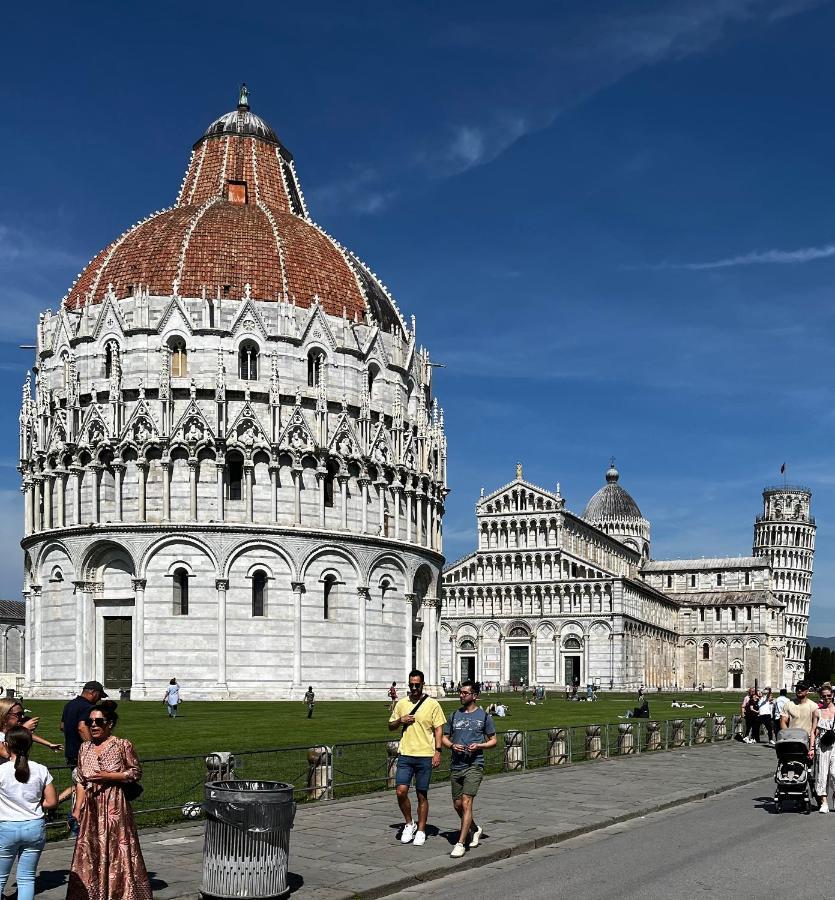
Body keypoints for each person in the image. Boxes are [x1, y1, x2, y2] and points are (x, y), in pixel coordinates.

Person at [67, 700, 152, 900]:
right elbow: (80, 780)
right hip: (91, 809)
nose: (94, 725)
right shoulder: (84, 748)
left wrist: (109, 776)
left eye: (99, 721)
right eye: (90, 722)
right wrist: (77, 808)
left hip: (115, 806)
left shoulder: (122, 745)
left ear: (110, 723)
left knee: (117, 849)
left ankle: (120, 893)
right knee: (90, 850)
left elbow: (135, 773)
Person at [388, 669, 445, 846]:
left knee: (422, 794)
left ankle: (421, 830)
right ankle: (409, 823)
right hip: (406, 753)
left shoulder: (433, 704)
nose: (414, 688)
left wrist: (438, 752)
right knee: (401, 791)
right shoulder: (402, 704)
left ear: (422, 684)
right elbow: (391, 726)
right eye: (411, 684)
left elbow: (438, 729)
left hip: (425, 755)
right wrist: (400, 720)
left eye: (417, 685)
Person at [0, 726, 58, 900]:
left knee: (1, 876)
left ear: (6, 744)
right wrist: (32, 804)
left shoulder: (2, 771)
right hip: (34, 826)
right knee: (26, 877)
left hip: (7, 826)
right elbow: (51, 801)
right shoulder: (40, 769)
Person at [442, 680, 497, 858]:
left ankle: (460, 843)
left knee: (466, 802)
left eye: (464, 693)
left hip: (474, 764)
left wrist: (480, 746)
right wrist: (451, 746)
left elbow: (493, 740)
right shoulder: (454, 715)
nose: (461, 695)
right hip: (456, 764)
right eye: (460, 692)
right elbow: (444, 737)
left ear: (474, 696)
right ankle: (475, 828)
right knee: (457, 805)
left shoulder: (484, 716)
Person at [61, 682, 106, 767]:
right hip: (84, 754)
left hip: (70, 753)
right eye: (99, 696)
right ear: (93, 692)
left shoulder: (69, 704)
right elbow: (82, 727)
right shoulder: (89, 707)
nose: (99, 699)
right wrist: (93, 750)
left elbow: (62, 726)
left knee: (78, 779)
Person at [813, 685, 835, 813]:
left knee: (834, 773)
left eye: (828, 695)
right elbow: (813, 730)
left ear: (832, 694)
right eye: (823, 696)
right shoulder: (817, 711)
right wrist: (811, 748)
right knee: (822, 774)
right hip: (822, 745)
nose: (826, 698)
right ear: (820, 697)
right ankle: (824, 802)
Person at [780, 681, 818, 747]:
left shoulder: (813, 706)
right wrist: (787, 735)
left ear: (807, 691)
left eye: (802, 688)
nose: (799, 690)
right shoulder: (788, 704)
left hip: (807, 739)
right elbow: (783, 721)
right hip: (791, 739)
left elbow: (815, 726)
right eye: (797, 688)